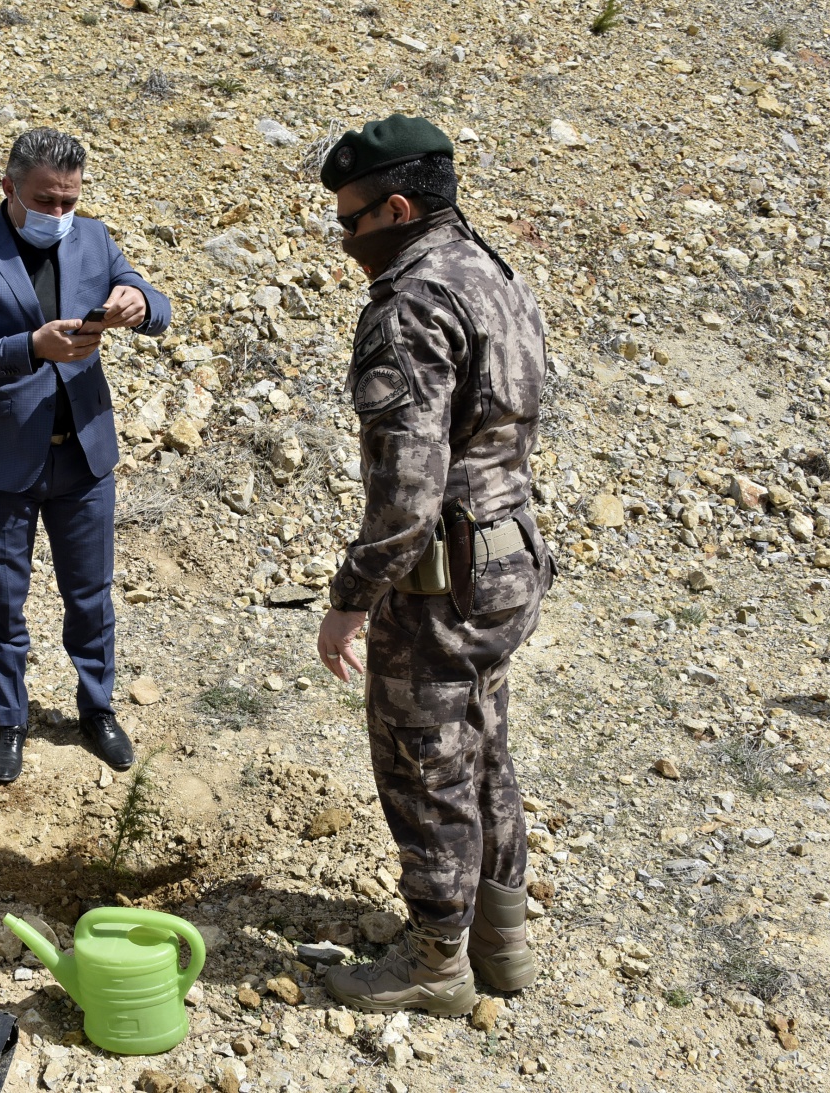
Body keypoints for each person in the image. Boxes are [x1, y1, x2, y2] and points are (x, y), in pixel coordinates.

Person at [312, 114, 555, 1016]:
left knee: (425, 761)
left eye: (352, 222)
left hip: (445, 576)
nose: (345, 243)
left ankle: (435, 961)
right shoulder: (490, 272)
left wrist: (350, 599)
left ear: (399, 207)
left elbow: (407, 495)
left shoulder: (412, 302)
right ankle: (502, 939)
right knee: (482, 742)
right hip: (508, 558)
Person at [0, 127, 172, 784]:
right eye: (46, 200)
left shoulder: (92, 238)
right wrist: (28, 346)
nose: (59, 215)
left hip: (84, 456)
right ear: (9, 188)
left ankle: (96, 710)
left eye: (70, 200)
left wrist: (140, 300)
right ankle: (10, 719)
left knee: (90, 596)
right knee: (5, 600)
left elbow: (160, 308)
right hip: (4, 461)